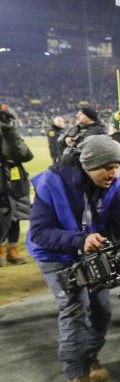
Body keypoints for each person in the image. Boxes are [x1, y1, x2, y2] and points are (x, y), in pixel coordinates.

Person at [27, 136, 120, 382]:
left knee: (101, 309)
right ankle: (75, 372)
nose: (112, 172)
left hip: (90, 253)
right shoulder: (52, 181)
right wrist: (80, 240)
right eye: (106, 167)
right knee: (74, 308)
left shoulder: (114, 184)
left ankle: (89, 357)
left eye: (117, 166)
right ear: (88, 164)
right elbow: (40, 232)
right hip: (56, 255)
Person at [1, 106, 33, 265]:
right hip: (4, 183)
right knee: (3, 218)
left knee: (15, 218)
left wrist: (9, 129)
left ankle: (12, 254)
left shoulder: (9, 132)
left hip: (15, 182)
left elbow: (25, 154)